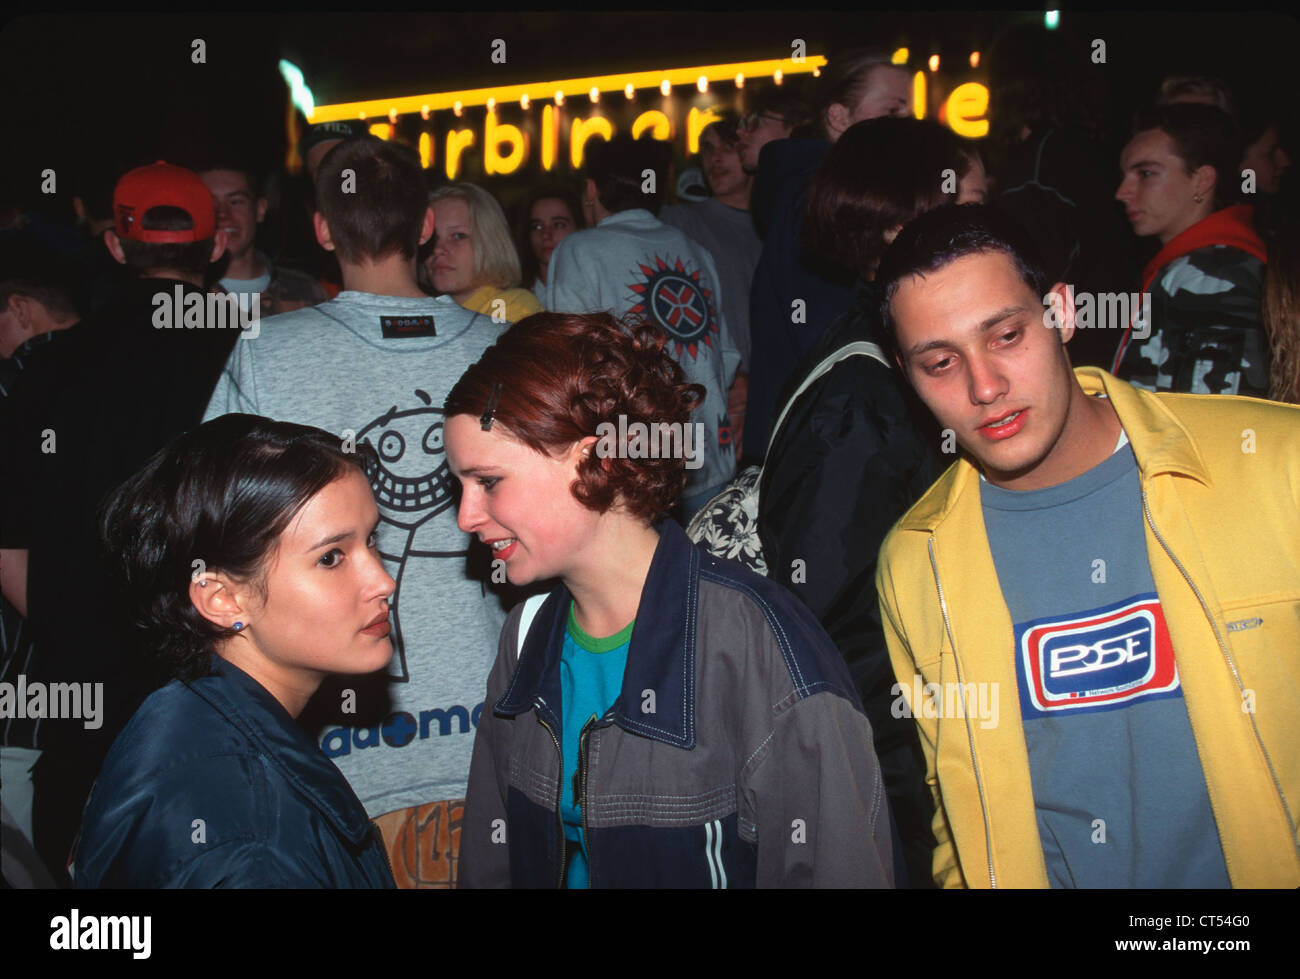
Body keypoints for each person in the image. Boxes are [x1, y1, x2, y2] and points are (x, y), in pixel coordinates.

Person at [874, 203, 1300, 888]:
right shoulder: (916, 559)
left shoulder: (1276, 462)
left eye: (1007, 334)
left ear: (1063, 313)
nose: (985, 387)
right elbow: (959, 818)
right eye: (940, 362)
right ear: (906, 374)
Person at [447, 311, 896, 888]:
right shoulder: (525, 634)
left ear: (596, 459)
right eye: (458, 485)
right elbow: (493, 860)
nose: (466, 516)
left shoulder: (759, 647)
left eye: (487, 481)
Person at [204, 135, 508, 889]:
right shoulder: (509, 351)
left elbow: (213, 533)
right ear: (427, 226)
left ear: (322, 230)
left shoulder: (266, 355)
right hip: (497, 749)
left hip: (332, 771)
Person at [758, 117, 985, 889]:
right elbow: (817, 623)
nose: (992, 227)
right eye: (972, 206)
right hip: (893, 766)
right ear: (905, 223)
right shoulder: (862, 398)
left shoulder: (899, 363)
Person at [2, 161, 242, 881]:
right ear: (216, 245)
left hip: (85, 711)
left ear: (117, 245)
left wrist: (74, 630)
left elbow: (8, 542)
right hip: (228, 688)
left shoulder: (47, 363)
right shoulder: (252, 345)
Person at [73, 414, 398, 888]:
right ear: (222, 599)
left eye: (371, 540)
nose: (383, 581)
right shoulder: (252, 849)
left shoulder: (189, 709)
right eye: (331, 557)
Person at [545, 134, 741, 519]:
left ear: (591, 189)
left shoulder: (580, 250)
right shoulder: (696, 251)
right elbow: (728, 358)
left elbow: (572, 363)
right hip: (710, 463)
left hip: (635, 474)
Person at [744, 51, 912, 462]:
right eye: (892, 109)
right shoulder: (816, 200)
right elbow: (834, 343)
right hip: (817, 451)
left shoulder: (821, 192)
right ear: (839, 118)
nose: (907, 123)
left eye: (909, 109)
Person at [1112, 103, 1269, 396]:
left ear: (1202, 180)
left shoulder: (1214, 275)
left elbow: (1215, 418)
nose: (1122, 192)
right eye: (1125, 175)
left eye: (1145, 174)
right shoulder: (1198, 265)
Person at [661, 113, 762, 457]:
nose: (715, 159)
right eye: (707, 149)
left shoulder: (778, 224)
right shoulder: (682, 221)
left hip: (775, 392)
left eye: (727, 148)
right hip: (717, 394)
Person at [199, 163, 328, 320]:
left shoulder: (304, 291)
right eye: (210, 203)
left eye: (236, 202)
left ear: (260, 209)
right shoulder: (184, 292)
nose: (222, 215)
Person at [424, 182, 543, 324]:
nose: (437, 249)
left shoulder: (514, 306)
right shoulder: (423, 313)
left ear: (490, 242)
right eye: (432, 238)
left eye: (458, 236)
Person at [518, 185, 583, 305]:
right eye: (537, 227)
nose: (546, 235)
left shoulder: (593, 291)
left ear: (579, 229)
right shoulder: (514, 299)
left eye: (558, 225)